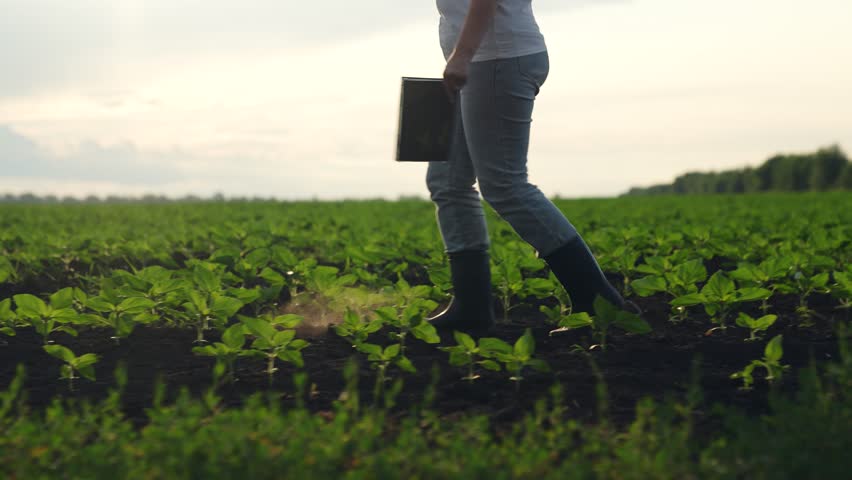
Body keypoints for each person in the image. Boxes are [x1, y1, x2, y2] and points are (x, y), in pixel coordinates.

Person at [426, 0, 639, 335]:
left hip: (496, 58)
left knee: (504, 184)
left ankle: (599, 301)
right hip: (478, 58)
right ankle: (471, 309)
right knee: (447, 181)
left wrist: (463, 54)